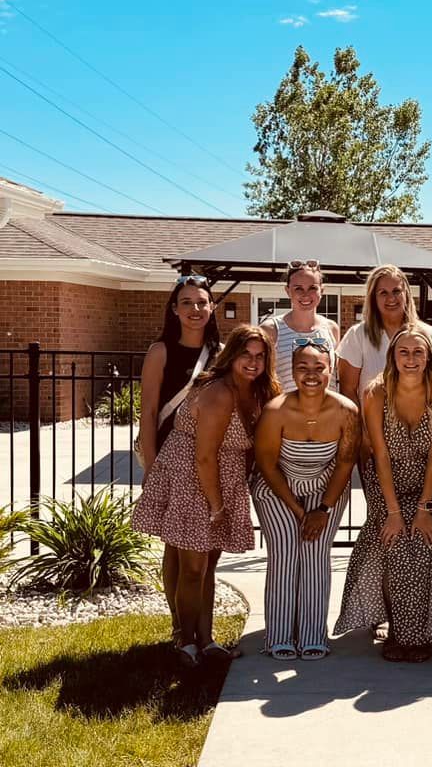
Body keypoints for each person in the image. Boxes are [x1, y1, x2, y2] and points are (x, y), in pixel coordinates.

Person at [133, 325, 281, 667]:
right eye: (245, 354)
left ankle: (206, 639)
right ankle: (186, 642)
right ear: (231, 355)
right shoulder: (219, 392)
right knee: (193, 567)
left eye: (260, 356)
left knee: (209, 565)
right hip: (193, 477)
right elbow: (204, 456)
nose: (252, 362)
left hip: (221, 476)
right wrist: (217, 506)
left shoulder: (259, 391)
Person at [335, 323, 432, 663]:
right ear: (392, 357)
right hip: (386, 481)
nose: (411, 359)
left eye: (418, 352)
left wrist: (425, 508)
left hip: (429, 481)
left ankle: (417, 634)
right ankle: (398, 631)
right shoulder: (376, 393)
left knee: (422, 542)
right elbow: (381, 455)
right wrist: (392, 512)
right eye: (404, 352)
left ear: (429, 357)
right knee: (395, 541)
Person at [252, 338, 360, 660]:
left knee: (315, 554)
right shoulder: (276, 411)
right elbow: (267, 465)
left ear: (330, 372)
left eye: (319, 367)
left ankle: (314, 635)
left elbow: (345, 463)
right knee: (285, 553)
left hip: (325, 489)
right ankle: (279, 636)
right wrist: (301, 512)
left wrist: (322, 509)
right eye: (303, 367)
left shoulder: (346, 411)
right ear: (292, 371)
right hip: (277, 487)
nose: (311, 374)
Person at [137, 274, 221, 647]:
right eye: (186, 302)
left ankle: (200, 631)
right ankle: (179, 628)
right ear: (174, 309)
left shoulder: (221, 353)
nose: (195, 309)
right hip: (170, 462)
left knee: (202, 550)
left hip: (209, 460)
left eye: (202, 302)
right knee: (175, 544)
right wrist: (151, 467)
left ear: (212, 307)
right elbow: (148, 412)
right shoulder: (161, 351)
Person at [338, 264, 432, 409]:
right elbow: (348, 390)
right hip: (369, 423)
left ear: (406, 294)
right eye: (383, 293)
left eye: (396, 291)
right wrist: (363, 423)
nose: (391, 298)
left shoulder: (429, 335)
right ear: (373, 298)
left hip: (420, 422)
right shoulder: (357, 335)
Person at [260, 260, 340, 393]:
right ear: (287, 291)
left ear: (322, 290)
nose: (305, 294)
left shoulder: (332, 328)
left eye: (312, 288)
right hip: (284, 405)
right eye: (298, 288)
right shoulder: (271, 330)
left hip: (327, 406)